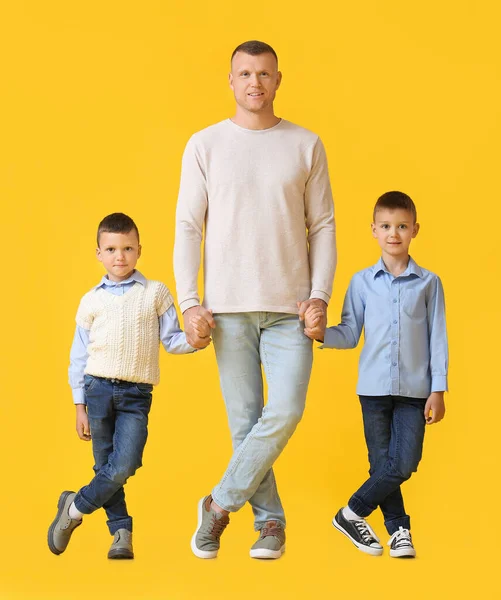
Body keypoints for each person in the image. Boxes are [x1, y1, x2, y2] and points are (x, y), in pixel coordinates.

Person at [174, 40, 337, 559]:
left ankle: (218, 505)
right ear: (230, 80)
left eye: (264, 74)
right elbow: (187, 226)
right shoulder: (204, 144)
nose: (254, 83)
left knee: (285, 408)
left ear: (278, 80)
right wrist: (190, 301)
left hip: (291, 308)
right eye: (244, 73)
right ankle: (270, 523)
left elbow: (325, 226)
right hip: (227, 309)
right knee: (244, 422)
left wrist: (319, 295)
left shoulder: (305, 144)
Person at [48, 213, 200, 559]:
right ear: (99, 254)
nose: (120, 256)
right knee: (105, 466)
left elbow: (173, 339)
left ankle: (74, 508)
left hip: (135, 395)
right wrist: (79, 405)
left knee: (124, 464)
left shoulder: (155, 293)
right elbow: (78, 356)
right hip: (97, 390)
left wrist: (197, 340)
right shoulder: (91, 300)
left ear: (139, 250)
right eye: (112, 249)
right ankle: (121, 532)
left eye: (128, 248)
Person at [304, 191, 448, 558]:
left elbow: (438, 339)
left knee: (404, 462)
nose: (393, 233)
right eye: (385, 226)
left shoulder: (429, 283)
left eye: (401, 226)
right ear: (373, 230)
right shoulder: (362, 282)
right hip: (373, 390)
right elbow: (349, 333)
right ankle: (399, 531)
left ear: (415, 229)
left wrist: (438, 389)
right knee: (382, 463)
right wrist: (322, 334)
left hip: (416, 390)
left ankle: (350, 513)